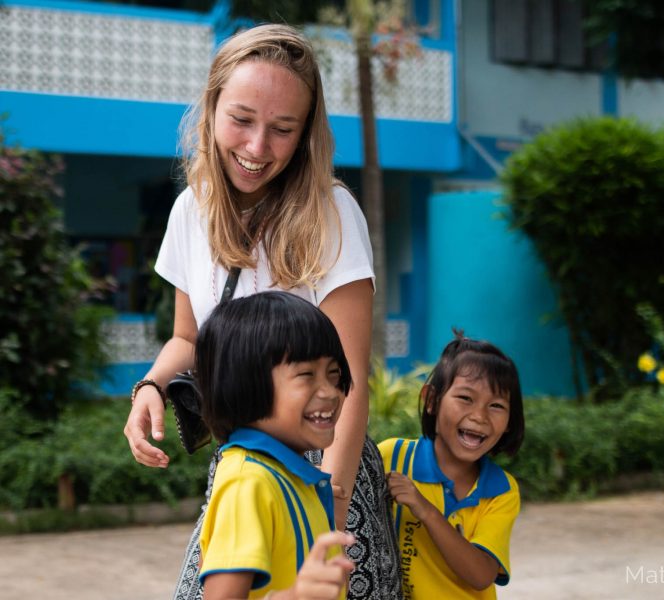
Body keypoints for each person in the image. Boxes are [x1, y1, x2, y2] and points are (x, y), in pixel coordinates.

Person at [122, 23, 401, 600]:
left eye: (282, 129)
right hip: (242, 470)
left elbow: (349, 383)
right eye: (242, 120)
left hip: (323, 471)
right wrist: (149, 385)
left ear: (305, 135)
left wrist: (331, 511)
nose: (256, 148)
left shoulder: (332, 211)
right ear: (212, 106)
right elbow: (187, 337)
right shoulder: (189, 211)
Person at [195, 291, 354, 600]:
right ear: (244, 384)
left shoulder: (287, 476)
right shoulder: (248, 483)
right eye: (306, 374)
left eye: (334, 374)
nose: (331, 392)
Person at [378, 333, 525, 599]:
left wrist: (425, 510)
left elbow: (481, 576)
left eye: (496, 405)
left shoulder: (502, 491)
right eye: (466, 398)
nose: (479, 416)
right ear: (432, 400)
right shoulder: (392, 457)